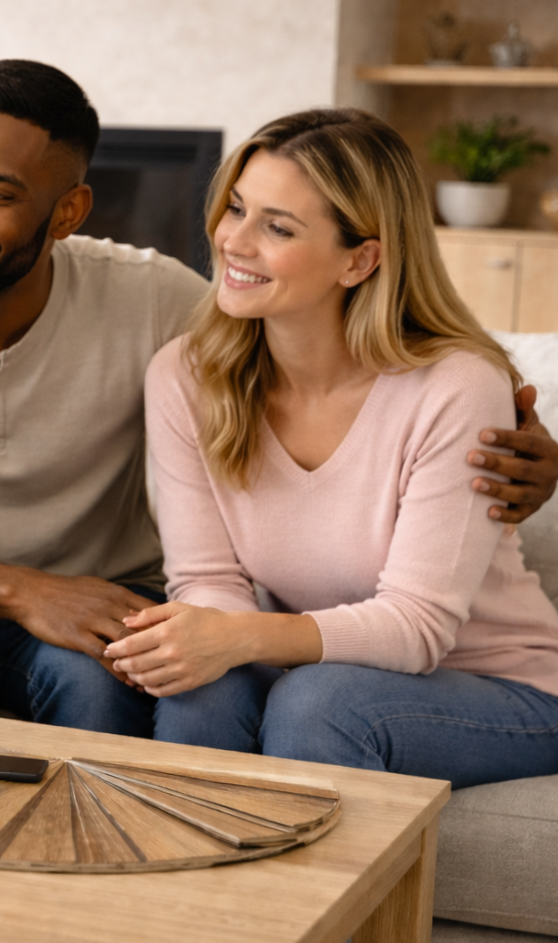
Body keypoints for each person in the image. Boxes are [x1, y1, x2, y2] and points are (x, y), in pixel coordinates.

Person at [0, 60, 557, 734]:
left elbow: (387, 345)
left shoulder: (163, 308)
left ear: (67, 211)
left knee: (116, 685)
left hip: (113, 603)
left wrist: (526, 453)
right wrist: (23, 589)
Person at [107, 107, 558, 788]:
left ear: (360, 259)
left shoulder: (454, 386)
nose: (234, 241)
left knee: (320, 705)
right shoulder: (186, 375)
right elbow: (207, 582)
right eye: (235, 209)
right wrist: (207, 645)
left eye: (277, 227)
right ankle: (183, 897)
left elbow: (417, 627)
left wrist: (242, 638)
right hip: (324, 670)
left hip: (499, 687)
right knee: (199, 691)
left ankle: (318, 901)